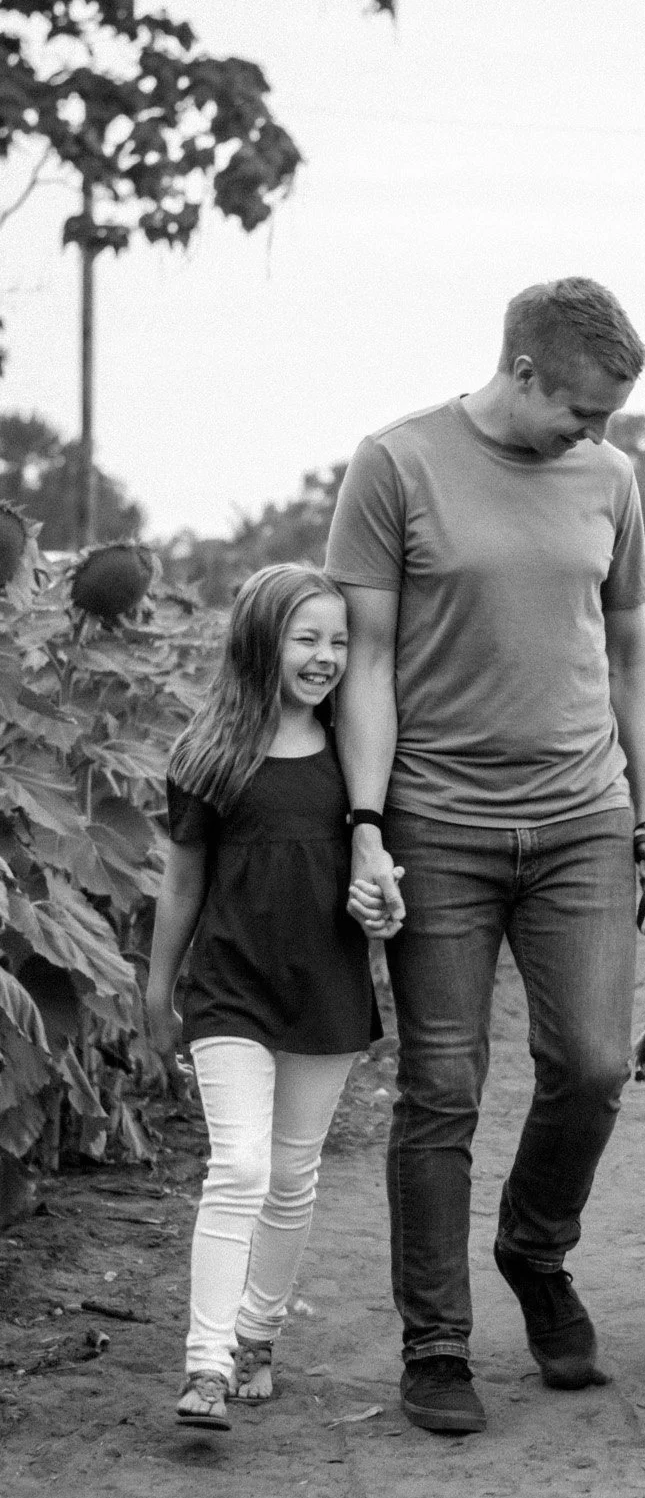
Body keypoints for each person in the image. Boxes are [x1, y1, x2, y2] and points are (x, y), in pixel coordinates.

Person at [326, 276, 645, 1437]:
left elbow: (629, 642)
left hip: (583, 815)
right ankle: (435, 1339)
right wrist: (369, 821)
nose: (601, 434)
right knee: (442, 1085)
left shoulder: (613, 479)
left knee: (591, 1062)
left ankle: (535, 1252)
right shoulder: (395, 464)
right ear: (523, 370)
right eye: (583, 410)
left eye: (613, 415)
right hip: (439, 818)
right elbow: (368, 658)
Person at [146, 565, 398, 1431]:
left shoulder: (352, 757)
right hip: (229, 988)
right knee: (240, 1168)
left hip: (324, 982)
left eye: (338, 641)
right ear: (261, 642)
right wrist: (155, 988)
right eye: (307, 638)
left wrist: (380, 899)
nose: (326, 657)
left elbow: (374, 873)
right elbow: (182, 885)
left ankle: (258, 1335)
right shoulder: (208, 754)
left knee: (291, 1177)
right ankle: (206, 1364)